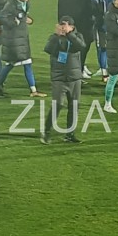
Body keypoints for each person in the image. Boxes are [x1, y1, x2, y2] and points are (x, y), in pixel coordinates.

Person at [0, 0, 46, 98]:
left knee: (24, 63)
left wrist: (27, 19)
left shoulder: (26, 4)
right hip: (13, 40)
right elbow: (1, 17)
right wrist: (13, 22)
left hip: (22, 39)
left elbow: (21, 16)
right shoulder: (10, 5)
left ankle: (33, 90)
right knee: (12, 64)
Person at [41, 16, 85, 144]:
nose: (63, 27)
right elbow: (48, 49)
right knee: (58, 104)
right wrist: (57, 36)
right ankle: (46, 131)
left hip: (74, 77)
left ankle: (70, 134)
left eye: (66, 25)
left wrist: (70, 35)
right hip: (59, 77)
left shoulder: (77, 36)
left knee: (74, 106)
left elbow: (81, 46)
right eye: (62, 25)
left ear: (72, 27)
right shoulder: (54, 37)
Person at [57, 0, 95, 77]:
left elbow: (60, 13)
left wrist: (62, 26)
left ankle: (62, 72)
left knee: (64, 50)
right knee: (81, 51)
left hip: (66, 27)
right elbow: (90, 12)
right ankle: (79, 73)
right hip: (83, 29)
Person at [91, 0, 115, 81]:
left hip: (98, 25)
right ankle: (114, 71)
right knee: (112, 48)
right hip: (110, 26)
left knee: (101, 48)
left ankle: (104, 72)